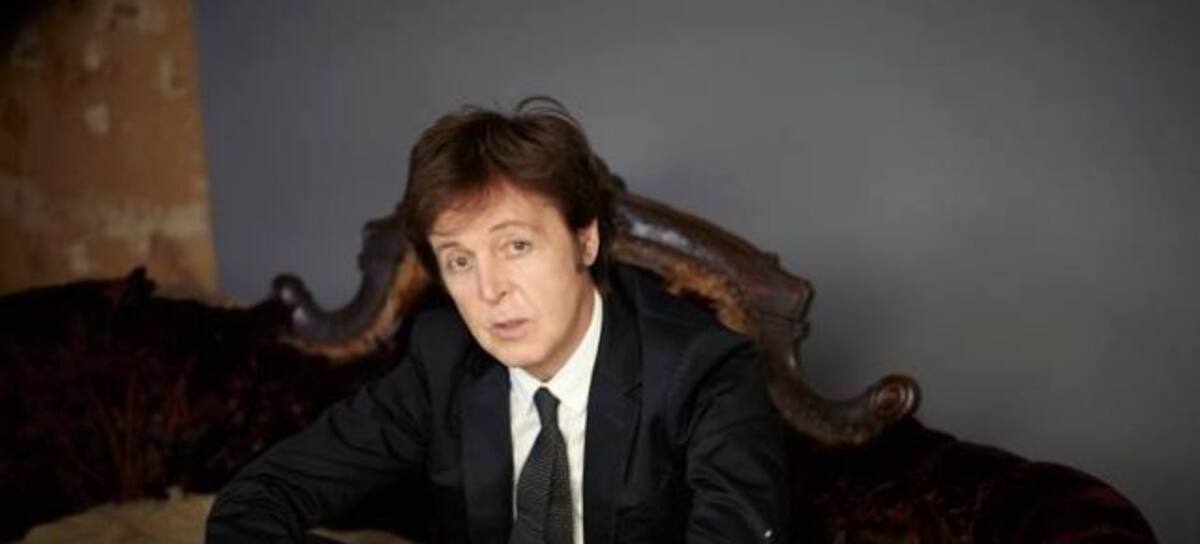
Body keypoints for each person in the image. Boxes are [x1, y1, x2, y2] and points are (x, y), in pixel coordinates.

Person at [206, 98, 788, 544]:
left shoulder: (704, 371)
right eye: (460, 261)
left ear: (584, 240)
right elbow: (255, 499)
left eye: (516, 246)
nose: (490, 290)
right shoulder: (443, 359)